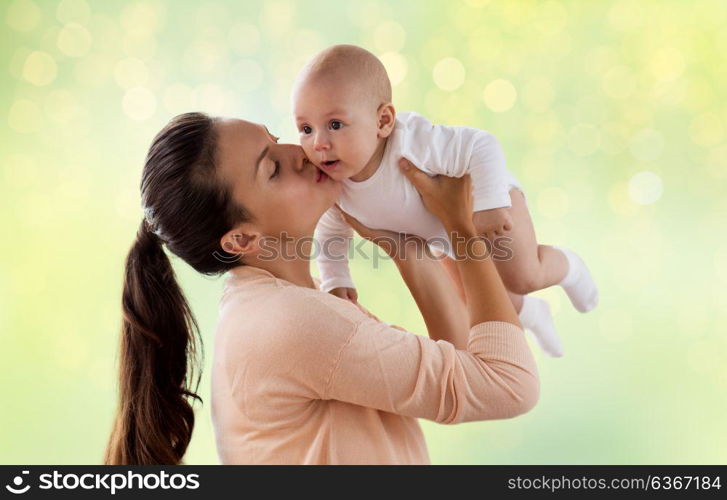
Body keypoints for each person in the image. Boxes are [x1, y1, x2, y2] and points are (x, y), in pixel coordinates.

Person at [104, 111, 539, 465]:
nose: (300, 152)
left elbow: (462, 371)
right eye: (272, 168)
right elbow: (508, 385)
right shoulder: (293, 324)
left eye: (275, 138)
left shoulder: (275, 304)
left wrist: (400, 240)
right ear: (240, 240)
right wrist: (461, 225)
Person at [293, 44, 599, 357]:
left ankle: (571, 267)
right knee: (476, 301)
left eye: (335, 125)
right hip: (445, 237)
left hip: (487, 200)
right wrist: (335, 279)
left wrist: (490, 205)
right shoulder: (336, 186)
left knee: (520, 276)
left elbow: (481, 145)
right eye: (305, 129)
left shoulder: (412, 144)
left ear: (383, 121)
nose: (318, 143)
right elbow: (332, 231)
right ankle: (533, 313)